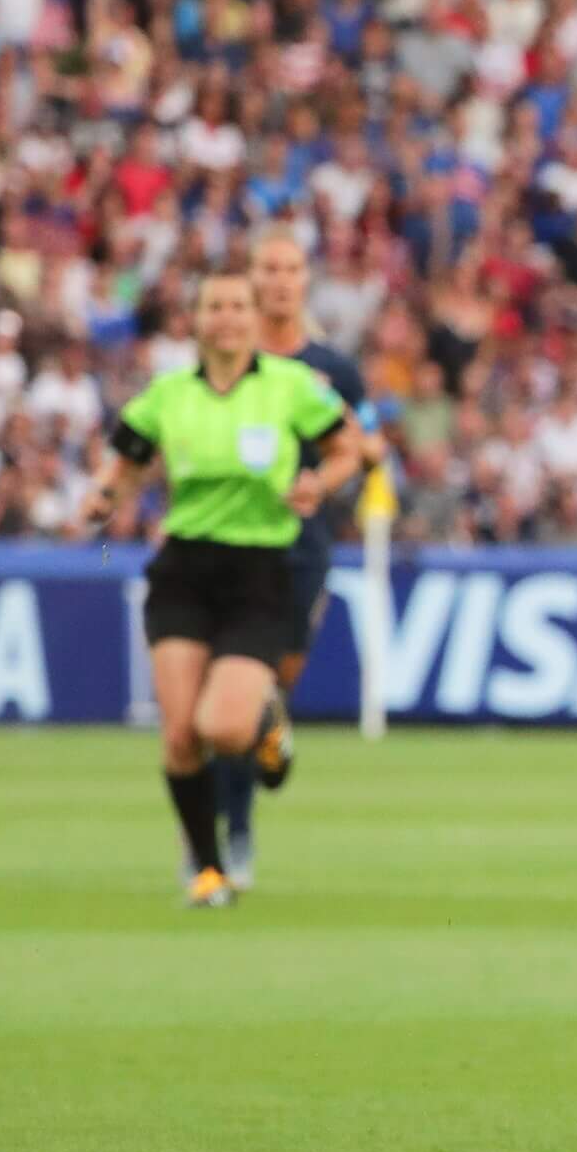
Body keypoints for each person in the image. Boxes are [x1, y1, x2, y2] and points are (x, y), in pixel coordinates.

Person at [79, 273, 366, 908]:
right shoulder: (169, 395)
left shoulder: (291, 387)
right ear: (197, 319)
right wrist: (104, 496)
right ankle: (208, 870)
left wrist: (324, 483)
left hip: (260, 569)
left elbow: (350, 446)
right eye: (216, 307)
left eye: (239, 306)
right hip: (184, 570)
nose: (228, 318)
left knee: (224, 728)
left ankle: (266, 723)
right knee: (181, 735)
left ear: (254, 317)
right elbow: (123, 464)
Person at [210, 229, 384, 887]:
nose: (279, 281)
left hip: (303, 547)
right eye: (267, 269)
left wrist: (335, 461)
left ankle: (260, 755)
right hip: (230, 543)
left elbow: (369, 449)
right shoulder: (226, 363)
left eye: (290, 269)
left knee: (272, 687)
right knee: (237, 686)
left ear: (305, 280)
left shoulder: (332, 369)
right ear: (251, 278)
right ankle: (236, 831)